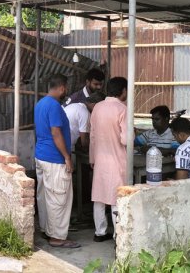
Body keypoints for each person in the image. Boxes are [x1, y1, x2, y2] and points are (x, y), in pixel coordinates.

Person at [33, 73, 80, 248]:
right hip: (54, 158)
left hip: (42, 155)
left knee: (45, 196)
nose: (65, 91)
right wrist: (67, 157)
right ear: (61, 88)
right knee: (59, 198)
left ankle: (48, 230)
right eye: (65, 88)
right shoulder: (53, 106)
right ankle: (57, 238)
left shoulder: (40, 104)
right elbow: (55, 132)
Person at [89, 77, 128, 242]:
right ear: (123, 91)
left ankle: (100, 232)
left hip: (99, 159)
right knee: (115, 197)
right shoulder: (122, 109)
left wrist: (92, 158)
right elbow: (126, 139)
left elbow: (92, 136)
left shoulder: (97, 107)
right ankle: (117, 235)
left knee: (99, 196)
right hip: (117, 159)